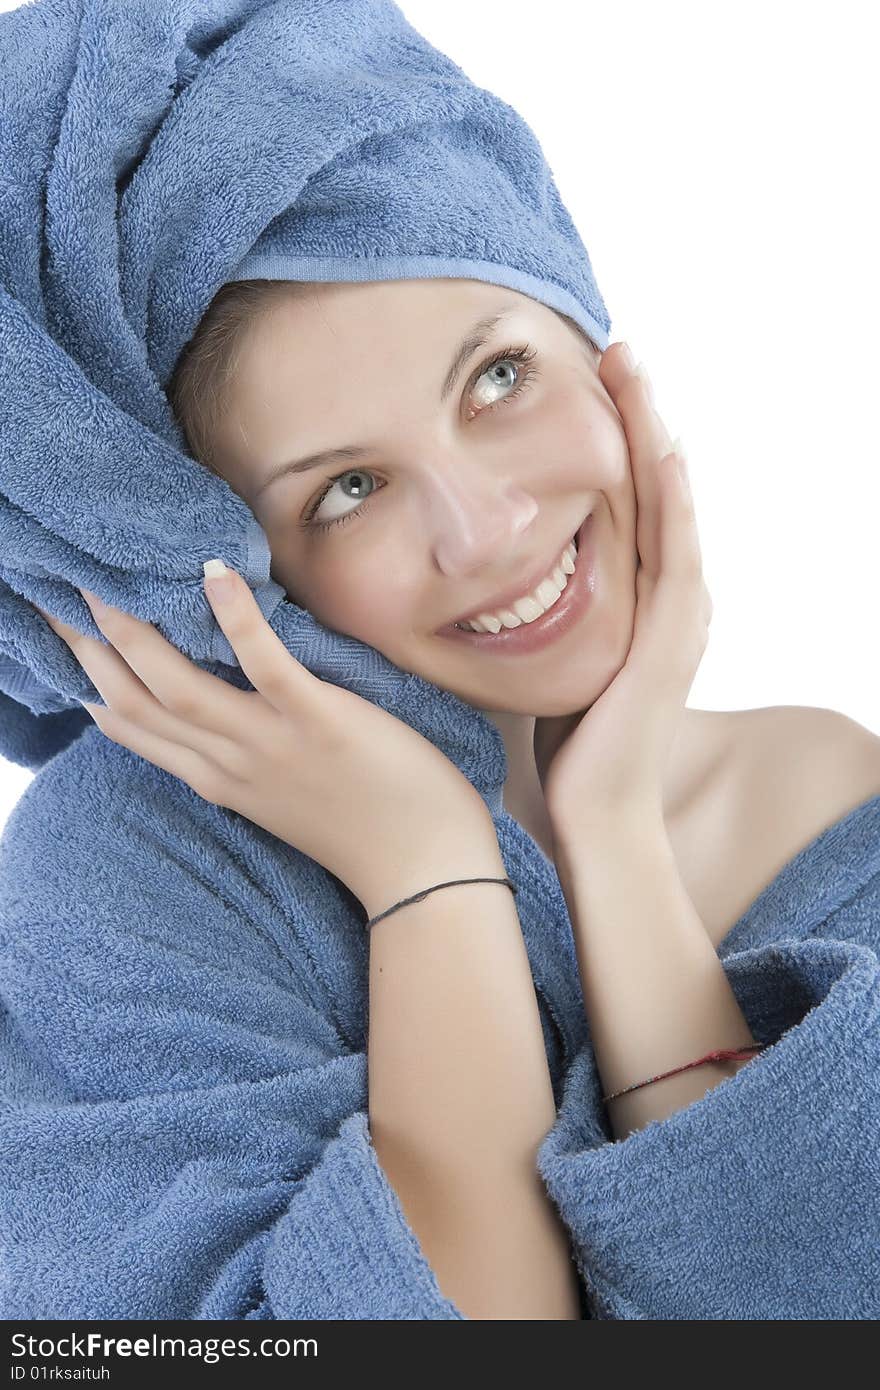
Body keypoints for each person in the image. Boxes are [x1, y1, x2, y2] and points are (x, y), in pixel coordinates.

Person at [2, 0, 878, 1323]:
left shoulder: (825, 794)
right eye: (349, 487)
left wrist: (618, 839)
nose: (489, 533)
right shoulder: (132, 887)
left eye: (498, 377)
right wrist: (430, 873)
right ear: (214, 562)